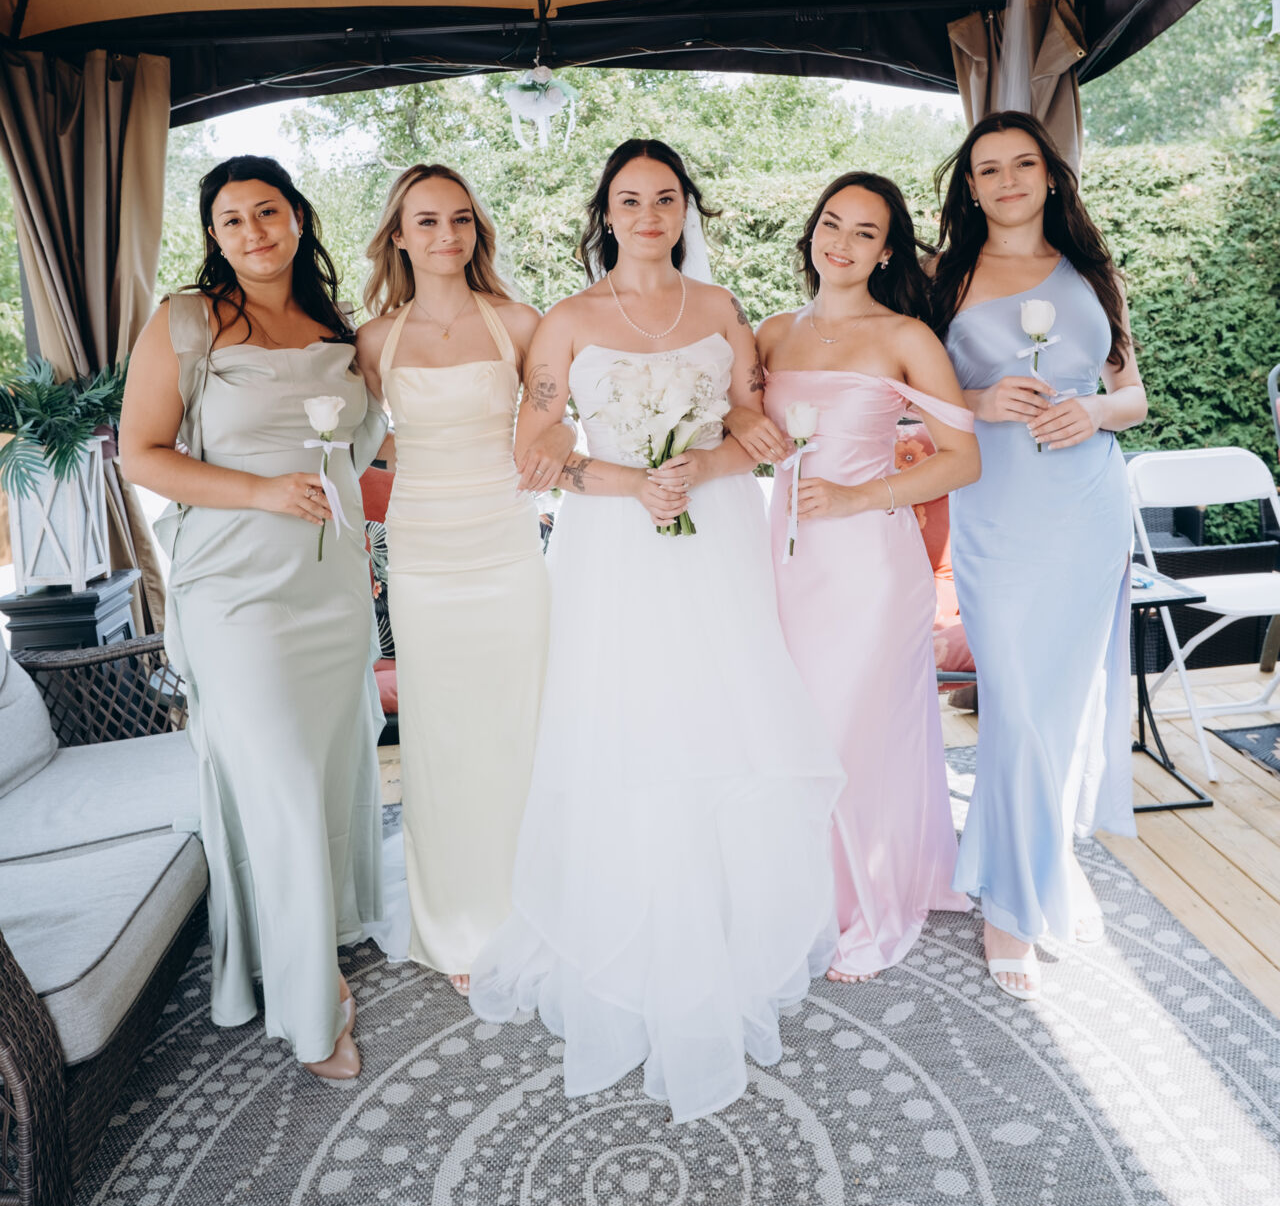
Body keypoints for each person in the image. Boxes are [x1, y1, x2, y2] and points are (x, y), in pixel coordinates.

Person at [468, 139, 843, 1123]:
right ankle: (628, 922)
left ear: (685, 210)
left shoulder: (719, 309)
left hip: (716, 535)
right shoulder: (565, 322)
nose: (647, 215)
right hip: (612, 545)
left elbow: (753, 429)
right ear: (606, 212)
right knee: (627, 717)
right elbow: (533, 448)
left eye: (664, 198)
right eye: (629, 200)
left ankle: (719, 920)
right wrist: (632, 483)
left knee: (720, 713)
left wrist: (707, 465)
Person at [119, 155, 386, 1080]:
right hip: (235, 588)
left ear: (298, 217)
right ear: (214, 236)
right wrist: (262, 491)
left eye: (267, 212)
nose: (253, 232)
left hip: (329, 583)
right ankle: (312, 1004)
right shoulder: (186, 320)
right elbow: (141, 454)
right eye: (231, 220)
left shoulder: (338, 327)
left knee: (327, 766)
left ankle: (322, 925)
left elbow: (357, 453)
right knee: (276, 776)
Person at [725, 172, 979, 981]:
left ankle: (869, 905)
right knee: (793, 726)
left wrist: (858, 495)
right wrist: (745, 423)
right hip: (786, 559)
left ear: (887, 251)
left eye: (864, 232)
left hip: (870, 562)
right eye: (832, 223)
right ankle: (803, 891)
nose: (841, 242)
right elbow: (733, 414)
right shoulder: (770, 333)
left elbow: (962, 459)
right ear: (812, 232)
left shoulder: (906, 336)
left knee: (853, 729)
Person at [931, 111, 1147, 998]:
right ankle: (1010, 905)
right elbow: (906, 392)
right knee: (1016, 703)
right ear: (970, 186)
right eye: (989, 168)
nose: (1008, 179)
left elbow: (1133, 396)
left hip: (1087, 506)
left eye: (1024, 163)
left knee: (1063, 703)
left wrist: (1091, 410)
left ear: (1050, 175)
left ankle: (1044, 863)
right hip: (998, 509)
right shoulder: (943, 277)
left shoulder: (1096, 272)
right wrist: (978, 402)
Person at [356, 164, 568, 996]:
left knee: (522, 726)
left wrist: (557, 442)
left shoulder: (519, 321)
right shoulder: (374, 340)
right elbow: (368, 440)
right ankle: (459, 924)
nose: (445, 235)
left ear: (477, 230)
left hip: (507, 546)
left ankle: (537, 909)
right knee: (440, 737)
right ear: (399, 236)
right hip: (422, 552)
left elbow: (556, 419)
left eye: (460, 219)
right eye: (426, 221)